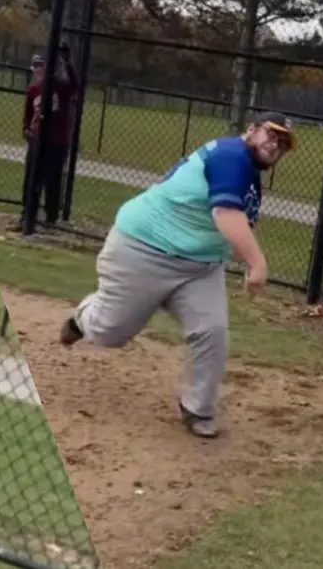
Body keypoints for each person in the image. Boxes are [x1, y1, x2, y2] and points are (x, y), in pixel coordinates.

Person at [58, 112, 297, 439]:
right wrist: (257, 264)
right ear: (251, 130)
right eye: (271, 134)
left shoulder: (249, 174)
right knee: (109, 332)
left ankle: (197, 408)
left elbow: (235, 222)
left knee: (212, 331)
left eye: (283, 143)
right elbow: (225, 213)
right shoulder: (232, 155)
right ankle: (83, 317)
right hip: (143, 250)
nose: (276, 144)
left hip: (199, 268)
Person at [9, 44, 79, 232]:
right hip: (38, 140)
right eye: (36, 66)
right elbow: (28, 113)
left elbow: (74, 86)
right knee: (32, 179)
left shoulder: (60, 87)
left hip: (57, 141)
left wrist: (67, 62)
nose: (38, 69)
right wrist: (26, 129)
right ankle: (27, 214)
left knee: (53, 180)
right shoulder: (33, 89)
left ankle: (50, 218)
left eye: (42, 65)